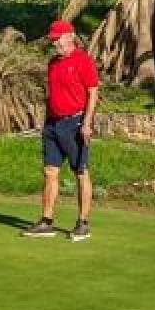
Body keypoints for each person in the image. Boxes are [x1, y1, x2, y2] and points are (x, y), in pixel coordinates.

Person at [23, 19, 99, 242]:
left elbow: (93, 93)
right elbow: (52, 94)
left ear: (70, 36)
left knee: (80, 172)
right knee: (50, 172)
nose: (55, 43)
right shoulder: (53, 63)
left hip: (75, 123)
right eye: (53, 39)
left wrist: (87, 123)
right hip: (52, 125)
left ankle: (83, 223)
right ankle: (47, 221)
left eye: (58, 39)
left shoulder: (83, 61)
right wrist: (46, 122)